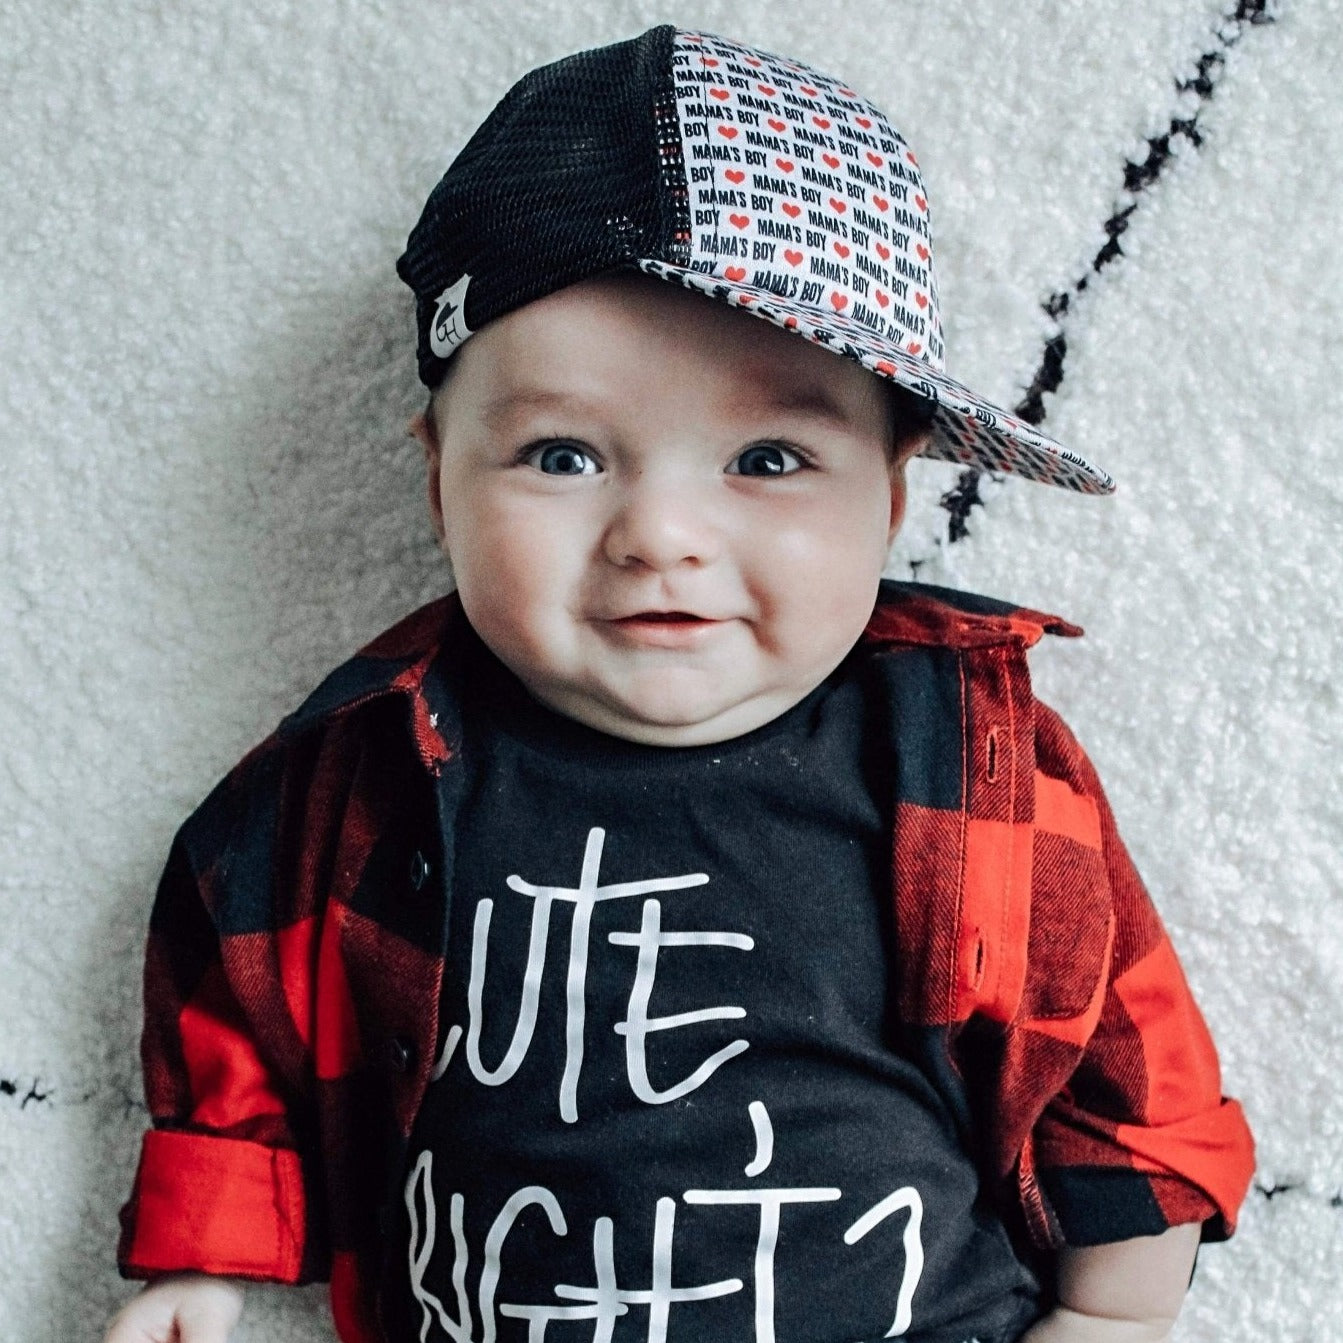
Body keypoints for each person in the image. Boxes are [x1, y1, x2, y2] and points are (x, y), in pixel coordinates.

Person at [104, 25, 1254, 1343]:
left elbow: (1117, 1050)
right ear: (437, 479)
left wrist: (1116, 1313)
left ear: (887, 498)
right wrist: (204, 1262)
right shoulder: (363, 767)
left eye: (767, 460)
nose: (661, 533)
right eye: (560, 455)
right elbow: (231, 1001)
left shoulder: (964, 752)